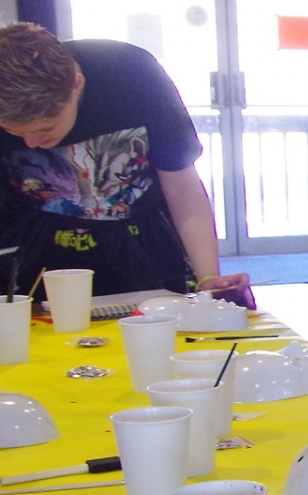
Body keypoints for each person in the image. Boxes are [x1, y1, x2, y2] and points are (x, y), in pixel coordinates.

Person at [0, 23, 247, 297]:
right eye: (14, 132)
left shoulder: (130, 72)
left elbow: (180, 183)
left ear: (75, 85)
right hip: (30, 263)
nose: (31, 143)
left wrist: (208, 276)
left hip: (143, 252)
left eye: (45, 129)